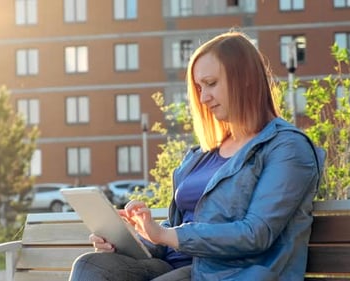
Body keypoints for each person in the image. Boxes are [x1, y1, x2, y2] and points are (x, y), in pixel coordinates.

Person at [68, 30, 325, 281]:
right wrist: (139, 236)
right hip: (174, 268)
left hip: (232, 272)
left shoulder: (287, 148)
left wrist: (165, 235)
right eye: (199, 88)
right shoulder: (202, 154)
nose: (203, 97)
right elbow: (174, 235)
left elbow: (256, 233)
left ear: (246, 78)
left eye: (211, 84)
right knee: (92, 266)